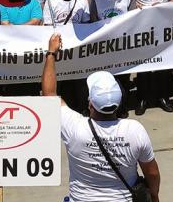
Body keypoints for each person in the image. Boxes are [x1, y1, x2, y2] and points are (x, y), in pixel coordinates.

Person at [42, 33, 161, 202]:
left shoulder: (75, 128)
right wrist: (154, 196)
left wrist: (51, 53)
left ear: (90, 103)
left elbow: (49, 95)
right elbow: (153, 173)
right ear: (119, 103)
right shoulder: (135, 130)